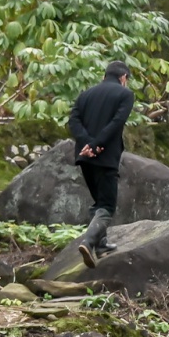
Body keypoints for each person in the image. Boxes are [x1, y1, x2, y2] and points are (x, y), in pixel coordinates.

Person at [67, 60, 135, 267]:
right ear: (123, 78)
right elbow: (117, 123)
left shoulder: (85, 95)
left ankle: (101, 244)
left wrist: (87, 144)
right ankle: (88, 242)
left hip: (85, 156)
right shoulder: (125, 95)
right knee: (106, 205)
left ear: (104, 76)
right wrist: (97, 145)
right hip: (105, 158)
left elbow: (73, 121)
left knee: (97, 202)